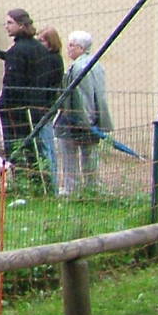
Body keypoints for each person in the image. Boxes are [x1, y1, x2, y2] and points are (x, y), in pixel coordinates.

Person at [0, 8, 49, 183]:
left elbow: (13, 81)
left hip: (15, 108)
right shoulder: (40, 48)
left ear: (21, 25)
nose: (6, 26)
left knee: (15, 146)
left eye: (10, 23)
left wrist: (4, 104)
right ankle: (37, 181)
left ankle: (19, 180)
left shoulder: (18, 51)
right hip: (35, 106)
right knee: (33, 146)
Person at [57, 30, 112, 196]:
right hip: (95, 117)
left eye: (72, 45)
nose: (68, 48)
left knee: (69, 154)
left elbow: (83, 96)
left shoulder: (79, 67)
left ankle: (71, 188)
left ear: (81, 47)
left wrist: (83, 120)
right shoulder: (97, 64)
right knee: (90, 155)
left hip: (76, 118)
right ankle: (91, 186)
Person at [34, 27, 66, 191]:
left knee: (47, 145)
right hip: (45, 106)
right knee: (44, 144)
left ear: (50, 42)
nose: (38, 44)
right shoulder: (51, 58)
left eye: (42, 41)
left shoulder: (52, 60)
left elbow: (46, 84)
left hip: (45, 107)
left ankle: (52, 184)